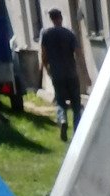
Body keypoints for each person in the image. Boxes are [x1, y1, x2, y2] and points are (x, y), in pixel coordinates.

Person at [39, 8, 81, 142]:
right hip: (71, 72)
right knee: (76, 104)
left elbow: (44, 54)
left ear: (51, 19)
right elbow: (78, 53)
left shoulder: (46, 34)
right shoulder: (69, 34)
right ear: (61, 18)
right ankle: (77, 131)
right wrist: (83, 73)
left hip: (57, 73)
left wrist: (46, 68)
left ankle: (63, 120)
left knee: (61, 102)